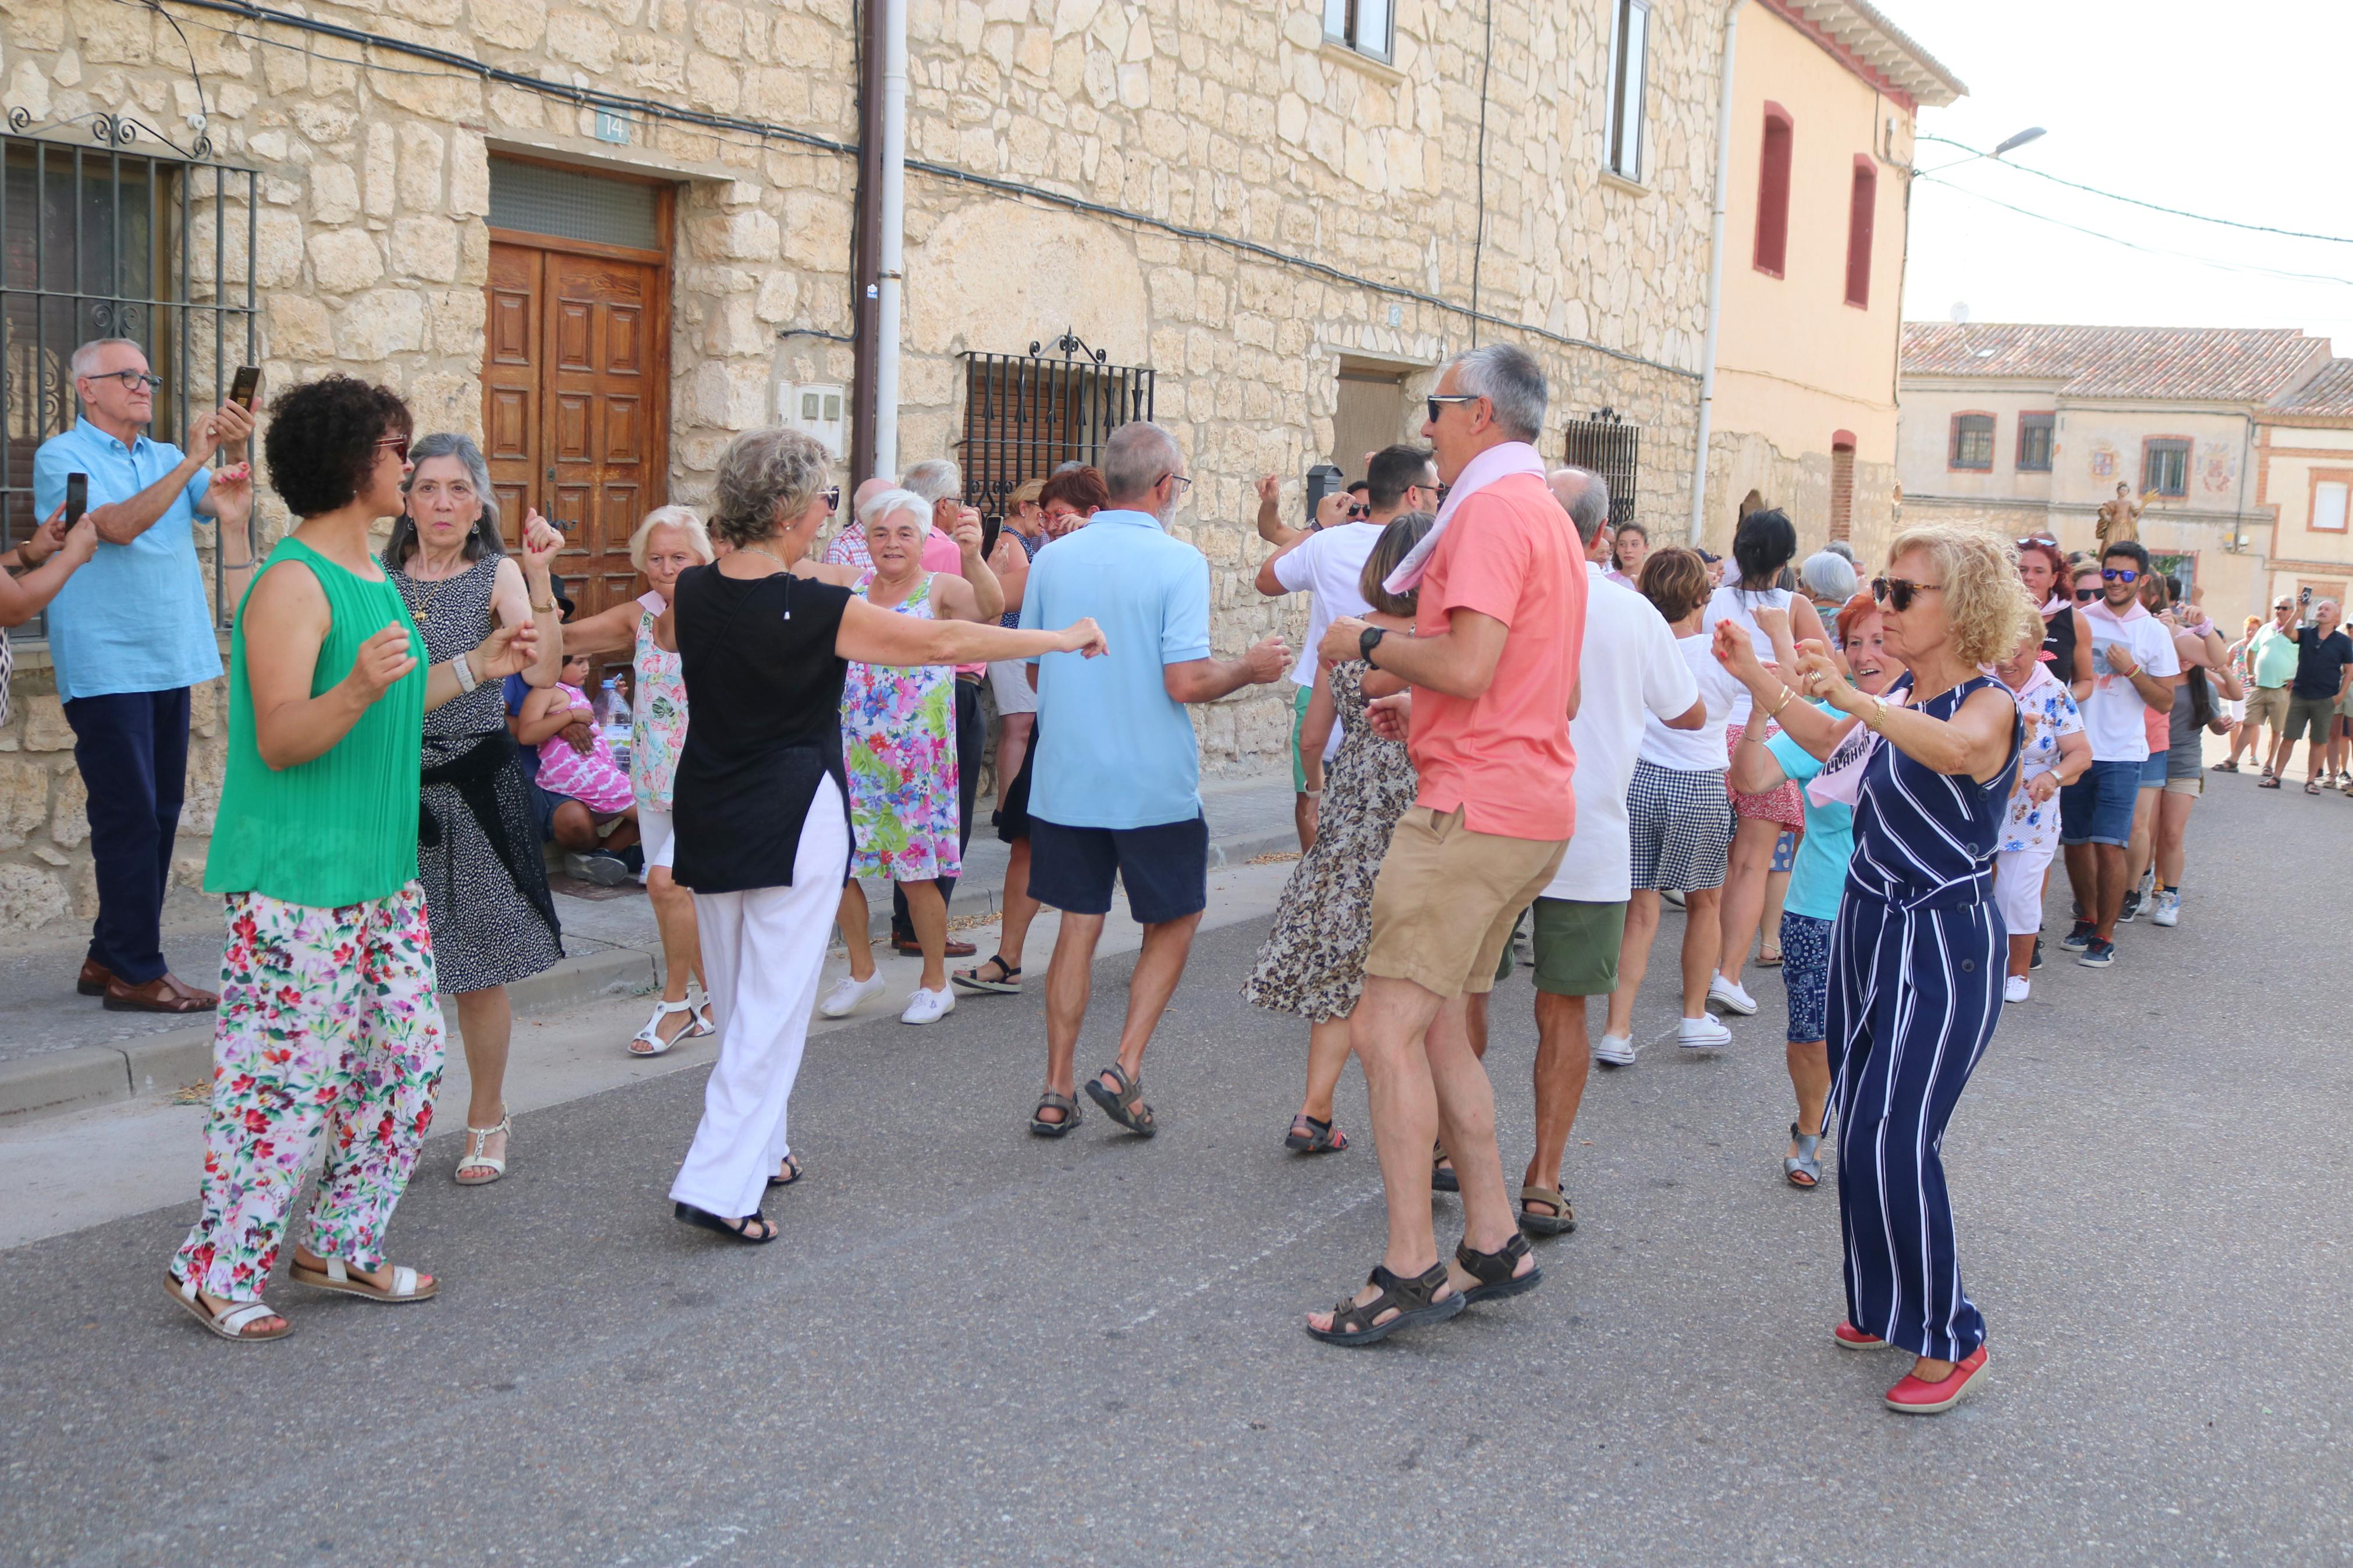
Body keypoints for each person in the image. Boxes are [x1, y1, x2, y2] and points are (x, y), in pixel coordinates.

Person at [165, 375, 541, 1341]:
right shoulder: (295, 582)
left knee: (403, 1067)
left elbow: (396, 705)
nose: (409, 467)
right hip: (298, 875)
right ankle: (215, 1267)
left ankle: (337, 1244)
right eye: (395, 450)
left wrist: (478, 668)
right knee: (280, 1084)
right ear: (349, 464)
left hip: (382, 873)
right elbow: (284, 735)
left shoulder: (376, 578)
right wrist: (362, 688)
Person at [663, 428, 1103, 1242]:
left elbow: (668, 639)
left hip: (711, 806)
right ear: (794, 511)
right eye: (824, 502)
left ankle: (762, 1148)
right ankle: (719, 1179)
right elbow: (941, 641)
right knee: (771, 1005)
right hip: (794, 810)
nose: (827, 515)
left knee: (736, 995)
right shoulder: (817, 606)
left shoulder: (693, 590)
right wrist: (1059, 637)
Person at [1304, 342, 1579, 1345]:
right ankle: (1494, 1237)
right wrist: (1420, 695)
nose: (1423, 426)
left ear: (1481, 415)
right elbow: (1541, 682)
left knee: (1382, 1030)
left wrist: (1367, 644)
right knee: (1431, 1028)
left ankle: (1411, 1265)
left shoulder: (1492, 511)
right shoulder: (1539, 512)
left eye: (1436, 407)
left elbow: (1466, 660)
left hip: (1471, 813)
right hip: (1523, 804)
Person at [1753, 524, 2036, 1414]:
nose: (1883, 603)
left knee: (1892, 1133)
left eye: (1903, 591)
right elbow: (1827, 739)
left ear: (1963, 608)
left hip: (1942, 942)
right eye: (1883, 584)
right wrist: (1749, 674)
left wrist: (1856, 697)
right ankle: (1885, 1305)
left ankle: (1954, 1335)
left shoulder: (1986, 703)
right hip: (1868, 926)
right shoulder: (1906, 691)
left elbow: (1951, 751)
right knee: (1859, 1126)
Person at [1017, 421, 1287, 1137]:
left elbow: (1036, 667)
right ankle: (1124, 1064)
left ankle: (1055, 1087)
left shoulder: (1052, 558)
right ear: (1165, 487)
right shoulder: (1177, 560)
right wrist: (1250, 668)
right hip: (1149, 781)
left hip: (1066, 777)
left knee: (1078, 924)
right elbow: (1185, 681)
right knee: (1174, 917)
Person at [1496, 469, 1700, 1231]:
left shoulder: (1502, 596)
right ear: (1600, 531)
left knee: (1466, 992)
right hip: (1590, 833)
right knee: (1564, 1007)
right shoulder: (1633, 611)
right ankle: (1542, 1177)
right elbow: (1685, 712)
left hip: (1496, 820)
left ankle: (1453, 1148)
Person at [34, 337, 257, 1013]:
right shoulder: (62, 458)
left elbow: (225, 505)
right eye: (126, 376)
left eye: (147, 375)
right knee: (129, 817)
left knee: (157, 815)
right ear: (87, 389)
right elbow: (117, 528)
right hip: (108, 663)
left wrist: (237, 453)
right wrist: (196, 455)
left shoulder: (162, 458)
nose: (142, 386)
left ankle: (109, 954)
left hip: (173, 656)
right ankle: (137, 971)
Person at [384, 432, 567, 1186]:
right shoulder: (378, 577)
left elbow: (546, 667)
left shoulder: (499, 573)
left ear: (480, 500)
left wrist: (542, 574)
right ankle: (384, 1122)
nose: (443, 503)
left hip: (473, 787)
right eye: (428, 487)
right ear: (406, 498)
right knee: (385, 973)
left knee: (473, 968)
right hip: (390, 782)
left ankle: (487, 1115)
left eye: (459, 488)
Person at [1241, 514, 1432, 1155]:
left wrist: (1319, 795)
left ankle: (1313, 1111)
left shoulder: (1345, 638)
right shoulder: (1438, 644)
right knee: (1415, 974)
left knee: (1340, 968)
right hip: (1418, 809)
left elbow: (1311, 738)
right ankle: (1420, 1128)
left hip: (1352, 806)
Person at [1714, 592, 1897, 1186]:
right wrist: (1761, 709)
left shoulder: (1927, 715)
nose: (1866, 654)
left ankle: (1871, 1135)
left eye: (1879, 639)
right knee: (1811, 1036)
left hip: (1898, 911)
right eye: (1854, 642)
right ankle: (1809, 1123)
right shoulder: (1825, 724)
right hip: (1817, 907)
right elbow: (1751, 777)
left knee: (1884, 1039)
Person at [809, 487, 1003, 1025]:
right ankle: (863, 971)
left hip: (917, 759)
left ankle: (934, 982)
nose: (891, 543)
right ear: (863, 540)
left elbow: (990, 608)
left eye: (903, 533)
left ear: (923, 540)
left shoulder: (939, 588)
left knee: (917, 872)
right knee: (838, 865)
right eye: (879, 533)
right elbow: (787, 568)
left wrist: (971, 554)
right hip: (851, 751)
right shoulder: (850, 587)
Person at [558, 504, 719, 1056]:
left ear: (702, 556)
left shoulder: (725, 609)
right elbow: (564, 637)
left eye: (678, 556)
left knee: (665, 883)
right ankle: (716, 998)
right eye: (656, 558)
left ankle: (674, 1003)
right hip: (653, 777)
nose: (666, 567)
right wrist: (535, 574)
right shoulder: (641, 615)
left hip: (708, 776)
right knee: (672, 896)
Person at [953, 465, 1109, 998]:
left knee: (1130, 843)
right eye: (1043, 515)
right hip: (1060, 721)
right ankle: (1008, 958)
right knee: (1025, 836)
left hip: (1117, 725)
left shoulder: (1132, 558)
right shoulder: (1050, 563)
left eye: (1057, 515)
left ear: (1095, 514)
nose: (1048, 525)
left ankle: (1157, 947)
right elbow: (992, 602)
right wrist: (972, 559)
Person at [1257, 444, 1439, 852]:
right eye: (1436, 489)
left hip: (1326, 688)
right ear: (1413, 494)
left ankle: (1315, 876)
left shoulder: (1329, 543)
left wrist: (1318, 526)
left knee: (1313, 807)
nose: (1439, 497)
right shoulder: (1439, 547)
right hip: (1412, 717)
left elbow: (1267, 577)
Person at [1599, 547, 1743, 1057]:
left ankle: (1617, 1029)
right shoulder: (1719, 651)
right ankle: (1693, 1015)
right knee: (1705, 903)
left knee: (1639, 910)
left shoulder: (1635, 643)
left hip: (1639, 780)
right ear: (1701, 597)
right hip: (1700, 782)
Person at [1705, 510, 1828, 1022]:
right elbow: (1817, 681)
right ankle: (1727, 974)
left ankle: (1702, 968)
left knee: (1708, 868)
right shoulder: (1794, 607)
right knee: (1752, 864)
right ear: (1784, 560)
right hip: (1769, 737)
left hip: (1711, 737)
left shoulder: (1709, 599)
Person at [2059, 541, 2178, 969]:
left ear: (2142, 580)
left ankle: (2104, 935)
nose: (2115, 582)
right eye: (2109, 573)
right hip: (2075, 748)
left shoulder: (2154, 633)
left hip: (2123, 754)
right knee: (2074, 844)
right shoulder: (2080, 620)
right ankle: (2085, 917)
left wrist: (2130, 669)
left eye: (2126, 575)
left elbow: (2164, 702)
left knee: (2109, 846)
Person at [1987, 628, 2088, 1000]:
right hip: (1979, 807)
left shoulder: (2055, 693)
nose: (2007, 662)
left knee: (2018, 894)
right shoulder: (1981, 683)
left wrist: (2053, 774)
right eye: (2001, 651)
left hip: (2031, 812)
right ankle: (1980, 966)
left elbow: (2081, 753)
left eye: (2018, 652)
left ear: (2038, 651)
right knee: (1976, 891)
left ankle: (2018, 974)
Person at [2149, 586, 2238, 926]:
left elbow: (2214, 724)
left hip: (2184, 764)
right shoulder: (2156, 680)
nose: (2185, 656)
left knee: (2172, 833)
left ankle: (2170, 896)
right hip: (2150, 758)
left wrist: (2221, 723)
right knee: (2146, 832)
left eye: (2191, 650)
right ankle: (2142, 885)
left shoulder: (2206, 686)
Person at [513, 649, 640, 878]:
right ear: (553, 665)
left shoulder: (573, 690)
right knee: (649, 808)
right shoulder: (545, 690)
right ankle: (661, 861)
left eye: (588, 662)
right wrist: (569, 716)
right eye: (579, 662)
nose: (586, 668)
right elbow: (526, 733)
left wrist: (612, 697)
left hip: (593, 771)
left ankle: (604, 853)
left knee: (652, 804)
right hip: (575, 775)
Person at [984, 477, 1046, 816]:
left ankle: (1010, 805)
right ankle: (1008, 807)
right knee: (1019, 726)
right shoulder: (1012, 541)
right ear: (1025, 507)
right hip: (1010, 645)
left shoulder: (1023, 539)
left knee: (1020, 725)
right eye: (1042, 509)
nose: (1046, 517)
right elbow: (1026, 594)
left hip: (1015, 645)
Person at [2271, 597, 2353, 794]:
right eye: (2320, 608)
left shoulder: (2343, 642)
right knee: (2288, 737)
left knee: (2318, 741)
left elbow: (2349, 671)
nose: (2321, 611)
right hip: (2300, 695)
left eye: (2327, 609)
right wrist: (2299, 611)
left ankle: (2310, 781)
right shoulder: (2307, 633)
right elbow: (2287, 632)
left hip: (2326, 698)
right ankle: (2276, 777)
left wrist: (2340, 695)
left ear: (2336, 617)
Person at [2017, 535, 2092, 701]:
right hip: (2001, 716)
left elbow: (2085, 681)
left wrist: (2065, 698)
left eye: (2039, 571)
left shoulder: (2075, 621)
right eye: (2022, 569)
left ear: (2054, 578)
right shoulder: (1994, 616)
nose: (2029, 577)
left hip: (2050, 719)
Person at [2219, 604, 2288, 773]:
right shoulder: (2236, 647)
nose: (2250, 632)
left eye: (2253, 630)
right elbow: (2225, 665)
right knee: (2238, 721)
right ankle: (2233, 752)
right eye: (2248, 629)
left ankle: (2253, 755)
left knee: (2254, 723)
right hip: (2237, 689)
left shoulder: (2265, 646)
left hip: (2255, 689)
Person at [1798, 550, 1859, 643]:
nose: (1800, 589)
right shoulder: (1859, 618)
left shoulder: (1797, 616)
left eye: (1802, 583)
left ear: (1814, 588)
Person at [1609, 520, 1648, 589]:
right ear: (1617, 548)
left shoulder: (1654, 583)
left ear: (1646, 548)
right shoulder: (1608, 582)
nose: (1628, 550)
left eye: (1634, 545)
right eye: (1622, 545)